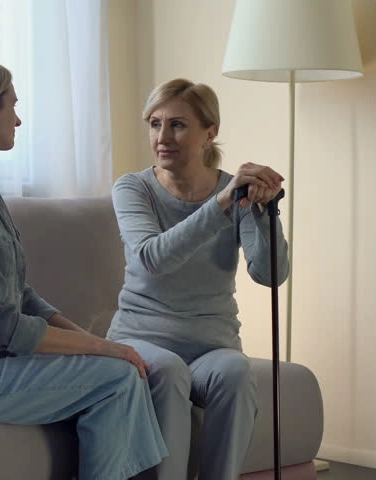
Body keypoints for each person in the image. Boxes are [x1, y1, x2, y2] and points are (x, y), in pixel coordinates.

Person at [0, 56, 167, 480]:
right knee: (117, 377)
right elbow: (0, 326)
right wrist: (107, 350)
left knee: (124, 372)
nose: (18, 120)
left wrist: (92, 341)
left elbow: (19, 294)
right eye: (13, 106)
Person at [107, 78, 289, 480]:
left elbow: (269, 274)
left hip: (212, 345)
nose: (162, 137)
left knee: (236, 372)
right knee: (169, 369)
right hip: (142, 341)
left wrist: (264, 212)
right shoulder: (133, 188)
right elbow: (153, 258)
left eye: (177, 125)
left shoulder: (234, 193)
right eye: (155, 124)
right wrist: (222, 203)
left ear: (210, 133)